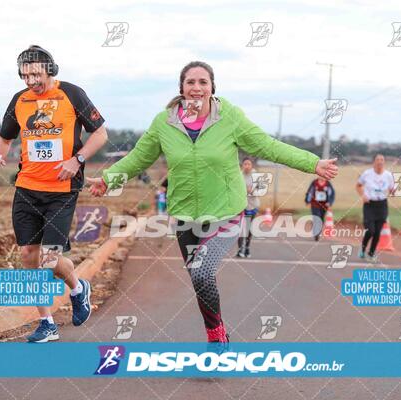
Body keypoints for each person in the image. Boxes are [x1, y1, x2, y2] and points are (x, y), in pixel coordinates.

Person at [87, 61, 338, 343]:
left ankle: (217, 339)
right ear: (181, 88)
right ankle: (215, 330)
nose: (196, 87)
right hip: (184, 214)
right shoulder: (164, 123)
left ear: (212, 87)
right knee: (199, 279)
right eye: (190, 82)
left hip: (226, 211)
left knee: (203, 271)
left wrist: (313, 163)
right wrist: (109, 178)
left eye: (203, 82)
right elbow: (138, 158)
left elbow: (268, 146)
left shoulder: (229, 117)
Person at [0, 45, 108, 342]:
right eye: (24, 75)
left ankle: (78, 289)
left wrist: (76, 159)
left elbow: (101, 133)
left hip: (62, 190)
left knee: (50, 258)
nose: (30, 80)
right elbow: (4, 139)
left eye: (36, 74)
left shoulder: (72, 94)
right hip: (27, 188)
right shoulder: (20, 100)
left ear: (50, 70)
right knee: (29, 255)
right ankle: (47, 323)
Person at [355, 154, 395, 262]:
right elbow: (358, 185)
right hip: (369, 204)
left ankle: (371, 253)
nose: (380, 162)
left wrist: (393, 191)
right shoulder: (367, 174)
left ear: (384, 162)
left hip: (382, 205)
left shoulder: (388, 175)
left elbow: (392, 189)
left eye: (382, 160)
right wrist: (363, 195)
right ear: (374, 162)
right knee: (370, 230)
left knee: (377, 232)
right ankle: (362, 249)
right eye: (378, 160)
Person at [236, 157, 260, 257]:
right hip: (241, 206)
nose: (247, 166)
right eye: (245, 164)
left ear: (252, 165)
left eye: (249, 164)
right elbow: (235, 190)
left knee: (249, 228)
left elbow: (261, 190)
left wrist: (252, 191)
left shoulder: (256, 176)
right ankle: (240, 249)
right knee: (241, 229)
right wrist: (244, 190)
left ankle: (247, 248)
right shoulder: (238, 176)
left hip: (253, 205)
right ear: (242, 165)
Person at [305, 176, 335, 241]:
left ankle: (318, 231)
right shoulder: (314, 182)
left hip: (324, 205)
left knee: (321, 219)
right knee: (316, 218)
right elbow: (310, 192)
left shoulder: (328, 184)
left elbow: (332, 193)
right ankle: (316, 233)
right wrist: (307, 201)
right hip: (315, 204)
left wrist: (330, 203)